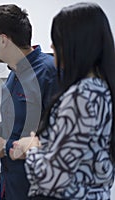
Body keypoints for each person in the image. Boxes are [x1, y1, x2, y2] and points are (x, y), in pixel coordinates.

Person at [10, 2, 115, 199]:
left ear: (76, 44)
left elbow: (53, 177)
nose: (51, 46)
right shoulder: (101, 90)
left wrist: (30, 148)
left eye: (56, 40)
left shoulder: (81, 97)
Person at [0, 4, 59, 200]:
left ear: (3, 40)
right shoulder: (13, 76)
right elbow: (23, 125)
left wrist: (4, 147)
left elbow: (62, 141)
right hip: (12, 185)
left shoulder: (50, 74)